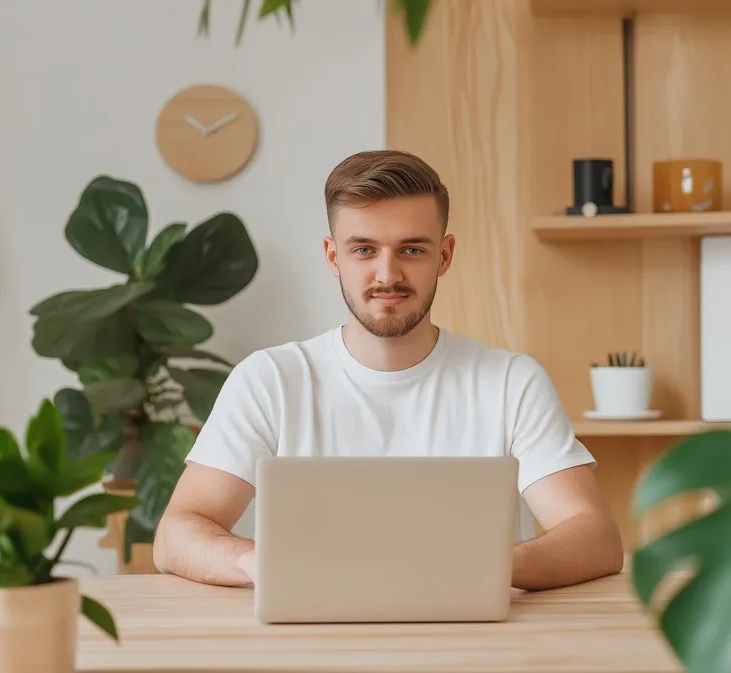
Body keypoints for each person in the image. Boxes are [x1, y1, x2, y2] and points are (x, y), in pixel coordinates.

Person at [152, 149, 624, 591]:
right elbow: (177, 533)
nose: (388, 275)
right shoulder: (270, 380)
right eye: (364, 250)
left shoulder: (510, 382)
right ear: (333, 256)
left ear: (444, 255)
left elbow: (596, 537)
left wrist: (487, 568)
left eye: (412, 250)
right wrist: (265, 566)